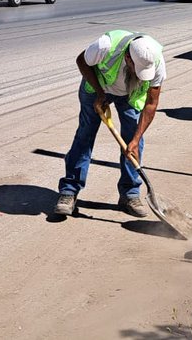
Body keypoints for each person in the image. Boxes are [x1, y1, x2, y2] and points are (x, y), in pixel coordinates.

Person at [55, 31, 166, 218]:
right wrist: (99, 93)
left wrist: (136, 138)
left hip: (129, 94)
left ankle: (129, 195)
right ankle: (69, 192)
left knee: (133, 143)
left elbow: (151, 104)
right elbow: (81, 61)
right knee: (84, 136)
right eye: (137, 68)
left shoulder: (157, 62)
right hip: (97, 87)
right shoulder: (105, 46)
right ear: (128, 57)